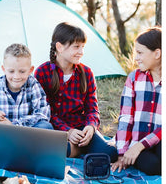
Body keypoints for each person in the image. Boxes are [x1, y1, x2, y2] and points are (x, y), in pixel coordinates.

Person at [35, 22, 117, 160]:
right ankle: (75, 148)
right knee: (52, 147)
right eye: (76, 47)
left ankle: (76, 148)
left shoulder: (86, 72)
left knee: (110, 154)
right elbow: (44, 112)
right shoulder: (42, 72)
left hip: (81, 127)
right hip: (55, 128)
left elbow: (92, 108)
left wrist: (91, 127)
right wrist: (68, 131)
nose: (81, 52)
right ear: (59, 47)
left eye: (83, 47)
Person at [0, 43, 52, 138]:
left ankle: (2, 140)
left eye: (22, 71)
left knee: (46, 127)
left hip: (24, 131)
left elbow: (42, 114)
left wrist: (13, 126)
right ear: (4, 69)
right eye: (11, 71)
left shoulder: (33, 85)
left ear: (30, 70)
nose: (16, 76)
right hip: (0, 130)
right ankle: (17, 142)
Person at [112, 27, 161, 175]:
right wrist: (122, 153)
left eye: (140, 53)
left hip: (158, 141)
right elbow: (126, 117)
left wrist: (140, 146)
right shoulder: (134, 78)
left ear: (157, 53)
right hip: (138, 141)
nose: (136, 58)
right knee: (151, 166)